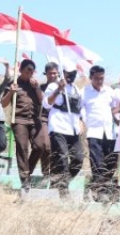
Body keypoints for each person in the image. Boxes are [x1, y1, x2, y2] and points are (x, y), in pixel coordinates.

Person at [1, 59, 46, 190]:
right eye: (27, 71)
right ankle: (24, 178)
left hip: (34, 120)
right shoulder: (13, 84)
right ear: (21, 70)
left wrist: (36, 87)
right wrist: (11, 92)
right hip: (19, 120)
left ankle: (28, 171)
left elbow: (42, 100)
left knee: (40, 146)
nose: (30, 73)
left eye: (32, 71)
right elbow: (3, 103)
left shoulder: (35, 84)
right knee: (22, 148)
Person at [43, 61, 84, 195]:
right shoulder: (53, 86)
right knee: (62, 158)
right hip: (58, 127)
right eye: (68, 74)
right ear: (63, 73)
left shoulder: (76, 89)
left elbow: (80, 108)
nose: (70, 76)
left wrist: (81, 122)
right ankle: (63, 191)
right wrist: (58, 90)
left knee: (78, 159)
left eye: (73, 74)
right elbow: (47, 104)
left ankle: (63, 181)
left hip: (73, 129)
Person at [81, 65, 120, 200]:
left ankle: (102, 184)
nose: (100, 81)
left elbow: (114, 109)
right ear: (91, 77)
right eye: (97, 78)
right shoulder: (84, 92)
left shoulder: (109, 91)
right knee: (97, 161)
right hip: (94, 131)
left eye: (102, 78)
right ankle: (100, 191)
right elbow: (81, 110)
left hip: (109, 131)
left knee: (111, 160)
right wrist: (84, 122)